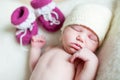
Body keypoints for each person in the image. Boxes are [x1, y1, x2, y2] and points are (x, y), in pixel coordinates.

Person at [29, 4, 112, 80]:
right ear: (63, 31)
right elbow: (35, 67)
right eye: (76, 29)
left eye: (92, 38)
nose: (81, 38)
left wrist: (92, 61)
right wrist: (35, 49)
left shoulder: (77, 62)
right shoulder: (50, 49)